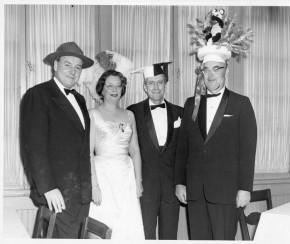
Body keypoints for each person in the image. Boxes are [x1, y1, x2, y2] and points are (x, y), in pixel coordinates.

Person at [174, 10, 257, 240]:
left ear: (226, 70)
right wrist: (180, 182)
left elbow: (247, 151)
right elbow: (183, 149)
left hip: (226, 192)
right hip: (195, 192)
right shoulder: (192, 103)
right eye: (206, 69)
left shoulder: (241, 104)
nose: (210, 75)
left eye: (216, 69)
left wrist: (244, 188)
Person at [20, 41, 94, 238]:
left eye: (78, 67)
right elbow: (34, 147)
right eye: (67, 64)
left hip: (81, 194)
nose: (73, 71)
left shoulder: (80, 99)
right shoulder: (38, 94)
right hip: (58, 192)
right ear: (55, 65)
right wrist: (48, 188)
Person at [128, 62, 183, 240]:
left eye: (160, 82)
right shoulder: (132, 112)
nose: (156, 87)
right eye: (151, 83)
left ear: (166, 84)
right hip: (145, 189)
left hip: (171, 190)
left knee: (169, 237)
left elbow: (184, 152)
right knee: (145, 237)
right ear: (144, 87)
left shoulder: (180, 112)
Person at [88, 69, 145, 240]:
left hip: (125, 177)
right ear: (102, 89)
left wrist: (138, 181)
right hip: (103, 177)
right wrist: (94, 185)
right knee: (103, 223)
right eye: (110, 86)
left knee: (126, 225)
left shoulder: (129, 115)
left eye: (118, 86)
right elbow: (88, 152)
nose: (114, 90)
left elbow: (135, 150)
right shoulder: (92, 114)